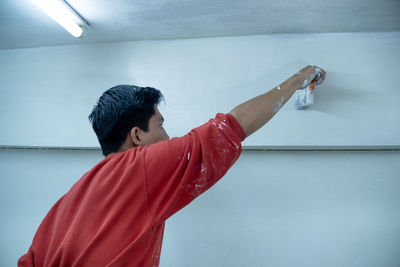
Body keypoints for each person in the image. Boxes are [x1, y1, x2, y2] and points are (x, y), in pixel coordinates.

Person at [18, 65, 326, 266]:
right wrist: (298, 80)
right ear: (136, 136)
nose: (168, 136)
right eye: (160, 126)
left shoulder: (69, 199)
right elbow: (229, 128)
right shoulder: (140, 167)